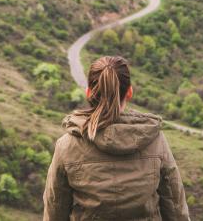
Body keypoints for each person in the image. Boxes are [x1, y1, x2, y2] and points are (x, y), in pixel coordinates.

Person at [43, 56, 190, 221]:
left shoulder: (67, 146)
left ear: (89, 92)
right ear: (129, 92)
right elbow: (176, 209)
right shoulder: (155, 141)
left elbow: (55, 212)